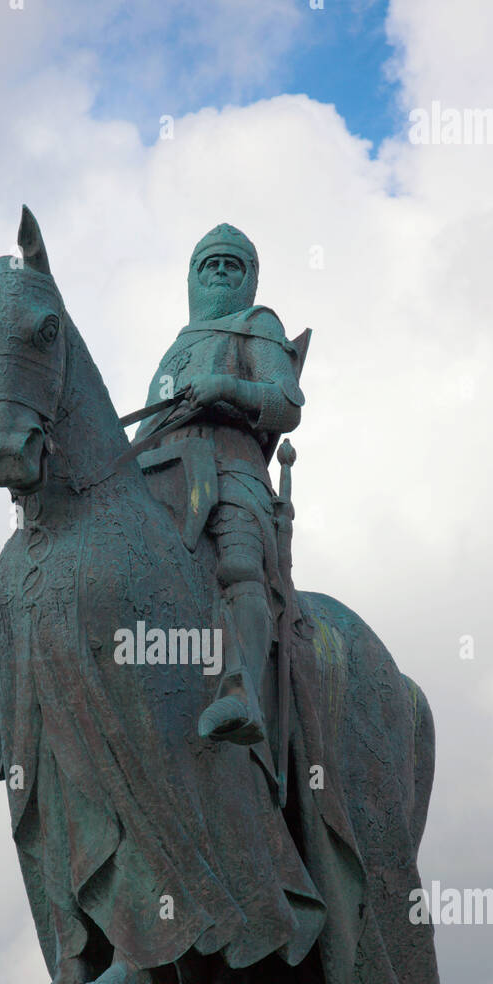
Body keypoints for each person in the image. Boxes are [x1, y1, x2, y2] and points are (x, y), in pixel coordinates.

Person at [135, 224, 304, 745]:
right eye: (210, 263)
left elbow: (288, 402)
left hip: (231, 464)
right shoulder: (176, 347)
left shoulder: (257, 326)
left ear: (251, 278)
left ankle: (241, 692)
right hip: (159, 470)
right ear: (191, 276)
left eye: (233, 264)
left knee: (238, 563)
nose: (220, 271)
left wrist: (225, 386)